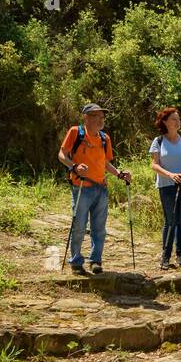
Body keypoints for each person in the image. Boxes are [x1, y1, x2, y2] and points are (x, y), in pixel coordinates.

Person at [57, 103, 131, 275]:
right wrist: (74, 167)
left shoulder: (105, 138)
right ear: (86, 117)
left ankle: (95, 261)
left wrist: (119, 174)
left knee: (99, 228)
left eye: (102, 116)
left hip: (101, 188)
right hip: (81, 186)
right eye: (96, 116)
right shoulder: (76, 132)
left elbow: (105, 163)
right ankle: (76, 261)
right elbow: (62, 154)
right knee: (79, 226)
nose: (101, 119)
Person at [149, 107, 181, 270]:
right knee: (170, 221)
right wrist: (170, 175)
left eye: (178, 119)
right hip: (166, 185)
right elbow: (154, 165)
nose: (178, 122)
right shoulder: (158, 141)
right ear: (164, 122)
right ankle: (165, 256)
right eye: (174, 119)